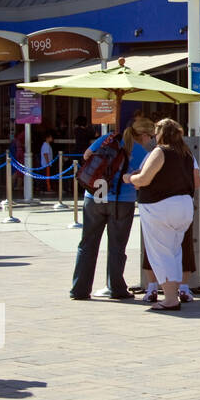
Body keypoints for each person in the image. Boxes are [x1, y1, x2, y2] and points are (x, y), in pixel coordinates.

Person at [69, 117, 151, 300]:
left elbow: (86, 155)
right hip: (122, 200)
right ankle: (116, 288)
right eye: (150, 136)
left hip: (95, 195)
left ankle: (79, 289)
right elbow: (142, 180)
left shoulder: (108, 138)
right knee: (116, 245)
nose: (150, 140)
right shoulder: (141, 152)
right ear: (144, 135)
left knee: (87, 244)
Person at [125, 118, 199, 311]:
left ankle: (170, 299)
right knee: (175, 251)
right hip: (184, 206)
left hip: (160, 207)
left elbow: (144, 178)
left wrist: (129, 178)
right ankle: (173, 293)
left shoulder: (160, 151)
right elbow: (195, 180)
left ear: (161, 133)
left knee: (161, 253)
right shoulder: (186, 153)